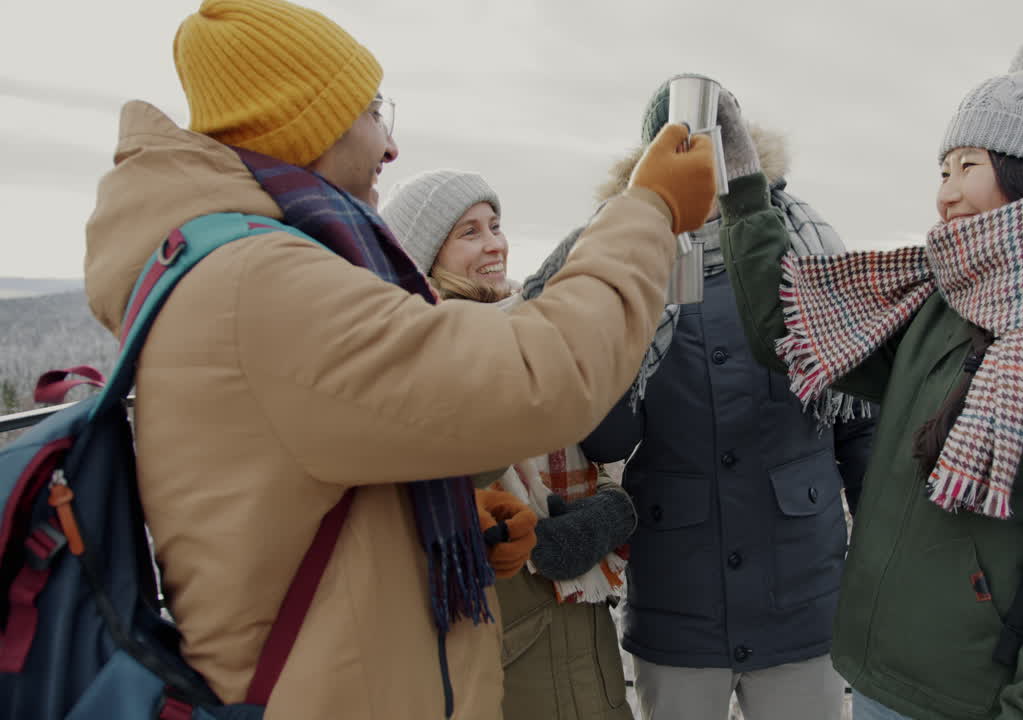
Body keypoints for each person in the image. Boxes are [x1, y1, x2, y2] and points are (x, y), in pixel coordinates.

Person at [80, 1, 716, 718]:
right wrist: (647, 208)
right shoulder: (261, 284)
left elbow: (292, 486)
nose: (388, 145)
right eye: (370, 111)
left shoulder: (246, 269)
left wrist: (444, 519)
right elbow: (540, 376)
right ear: (307, 121)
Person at [715, 34, 1023, 719]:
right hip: (880, 678)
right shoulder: (946, 299)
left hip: (980, 700)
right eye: (942, 170)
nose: (946, 195)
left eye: (967, 166)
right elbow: (791, 332)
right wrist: (747, 194)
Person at [577, 75, 878, 720]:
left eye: (711, 150)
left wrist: (885, 556)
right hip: (678, 608)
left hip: (806, 602)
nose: (700, 170)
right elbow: (602, 441)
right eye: (678, 152)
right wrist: (633, 321)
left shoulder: (808, 257)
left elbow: (861, 429)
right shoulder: (617, 268)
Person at [383, 169, 638, 720]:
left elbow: (606, 443)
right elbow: (453, 462)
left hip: (582, 631)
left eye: (495, 225)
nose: (494, 243)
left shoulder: (530, 331)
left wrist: (608, 509)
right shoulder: (425, 347)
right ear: (427, 256)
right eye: (468, 232)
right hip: (508, 637)